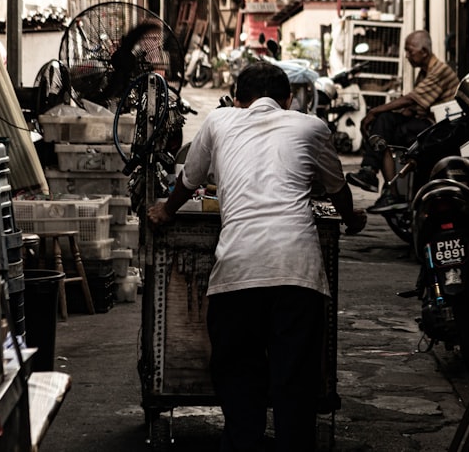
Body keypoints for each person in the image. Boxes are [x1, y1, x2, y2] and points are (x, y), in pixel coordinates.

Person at [147, 62, 365, 452]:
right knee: (294, 384)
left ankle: (242, 441)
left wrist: (165, 211)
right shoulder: (310, 126)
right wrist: (352, 220)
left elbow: (188, 180)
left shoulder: (219, 121)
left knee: (238, 381)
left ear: (237, 98)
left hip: (236, 274)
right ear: (289, 99)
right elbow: (338, 190)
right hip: (297, 274)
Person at [345, 29, 459, 207]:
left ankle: (378, 179)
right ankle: (379, 180)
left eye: (410, 51)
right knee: (383, 124)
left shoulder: (439, 71)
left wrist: (373, 111)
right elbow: (414, 106)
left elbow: (411, 99)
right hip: (426, 125)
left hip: (438, 131)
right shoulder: (425, 72)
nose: (407, 56)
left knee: (382, 122)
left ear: (424, 52)